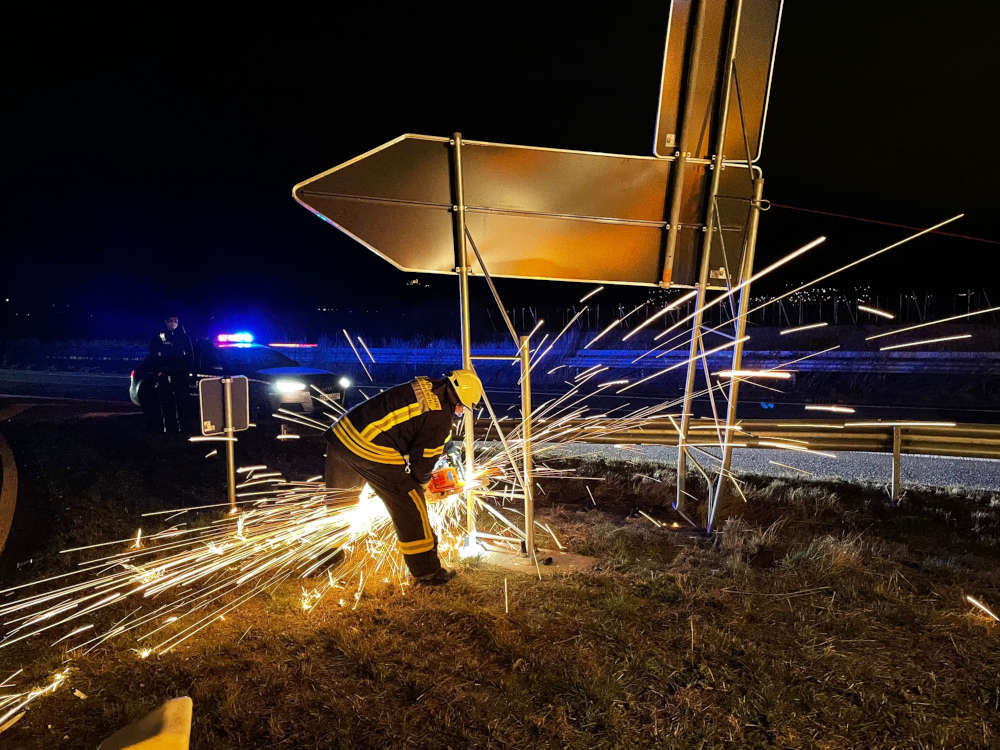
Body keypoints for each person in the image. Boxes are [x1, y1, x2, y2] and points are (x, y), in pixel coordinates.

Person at [324, 369, 483, 586]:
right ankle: (428, 573)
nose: (458, 413)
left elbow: (413, 424)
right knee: (410, 504)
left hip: (341, 437)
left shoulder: (429, 385)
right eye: (461, 408)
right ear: (458, 398)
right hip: (370, 447)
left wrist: (442, 449)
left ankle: (326, 557)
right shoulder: (440, 416)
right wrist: (424, 486)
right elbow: (423, 466)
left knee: (340, 504)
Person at [150, 315, 193, 434]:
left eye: (175, 321)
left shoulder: (184, 337)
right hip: (164, 374)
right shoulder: (160, 336)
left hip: (180, 375)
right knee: (166, 402)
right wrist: (159, 370)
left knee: (182, 402)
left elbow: (190, 355)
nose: (173, 323)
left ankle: (183, 428)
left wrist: (187, 372)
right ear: (165, 322)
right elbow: (154, 354)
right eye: (170, 321)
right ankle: (168, 428)